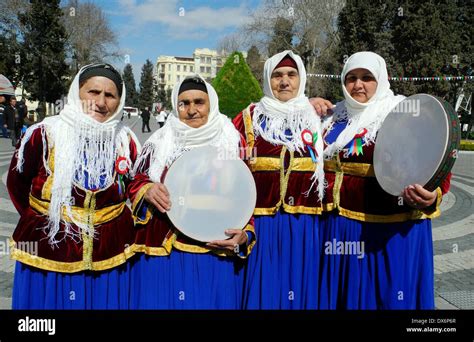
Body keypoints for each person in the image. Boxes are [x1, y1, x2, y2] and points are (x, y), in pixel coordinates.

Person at [319, 51, 451, 309]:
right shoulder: (332, 117)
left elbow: (436, 160)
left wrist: (434, 196)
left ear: (381, 79)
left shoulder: (403, 113)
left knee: (387, 297)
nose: (358, 85)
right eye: (351, 78)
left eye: (367, 77)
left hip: (389, 232)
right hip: (339, 228)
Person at [7, 63, 141, 309]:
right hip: (50, 249)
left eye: (110, 95)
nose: (101, 102)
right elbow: (17, 184)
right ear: (76, 93)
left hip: (108, 253)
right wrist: (48, 220)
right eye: (93, 92)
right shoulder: (45, 133)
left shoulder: (125, 141)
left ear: (118, 102)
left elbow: (134, 185)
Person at [128, 74, 255, 309]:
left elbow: (244, 194)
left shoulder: (231, 139)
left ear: (211, 104)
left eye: (199, 102)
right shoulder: (159, 142)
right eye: (183, 103)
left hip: (215, 251)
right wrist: (147, 189)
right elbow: (136, 181)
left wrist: (245, 235)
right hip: (166, 251)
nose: (191, 109)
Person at [233, 50, 326, 309]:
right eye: (277, 75)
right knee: (264, 292)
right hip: (261, 228)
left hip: (306, 227)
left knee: (301, 288)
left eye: (291, 75)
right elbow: (229, 169)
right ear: (267, 79)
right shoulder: (247, 118)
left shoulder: (319, 117)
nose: (284, 81)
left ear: (301, 79)